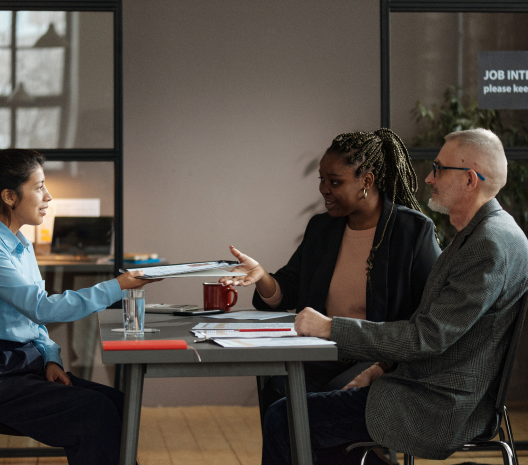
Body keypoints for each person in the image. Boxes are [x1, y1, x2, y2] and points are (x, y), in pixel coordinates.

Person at [261, 128, 528, 465]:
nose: (429, 178)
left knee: (285, 418)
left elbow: (426, 336)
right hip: (428, 386)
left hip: (437, 404)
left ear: (470, 181)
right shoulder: (487, 234)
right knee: (297, 418)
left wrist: (330, 328)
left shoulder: (486, 246)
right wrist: (383, 368)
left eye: (439, 168)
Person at [0, 149, 159, 465]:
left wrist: (50, 358)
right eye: (38, 187)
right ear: (10, 197)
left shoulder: (20, 243)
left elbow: (31, 316)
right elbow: (42, 308)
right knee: (95, 413)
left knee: (118, 402)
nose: (48, 196)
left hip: (20, 364)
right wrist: (117, 285)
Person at [221, 129, 441, 406]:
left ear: (367, 181)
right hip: (324, 353)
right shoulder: (322, 228)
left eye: (335, 182)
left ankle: (357, 452)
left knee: (322, 403)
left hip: (379, 359)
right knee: (277, 389)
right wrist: (262, 276)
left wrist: (385, 364)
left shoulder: (412, 231)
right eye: (322, 180)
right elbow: (289, 289)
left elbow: (429, 316)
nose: (324, 189)